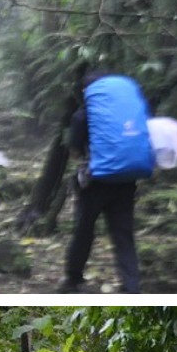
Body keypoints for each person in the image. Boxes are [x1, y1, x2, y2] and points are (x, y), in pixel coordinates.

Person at [60, 71, 155, 293]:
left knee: (84, 230)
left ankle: (73, 280)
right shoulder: (129, 114)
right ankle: (131, 286)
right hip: (126, 182)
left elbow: (74, 150)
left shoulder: (82, 116)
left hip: (94, 183)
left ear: (86, 91)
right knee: (123, 234)